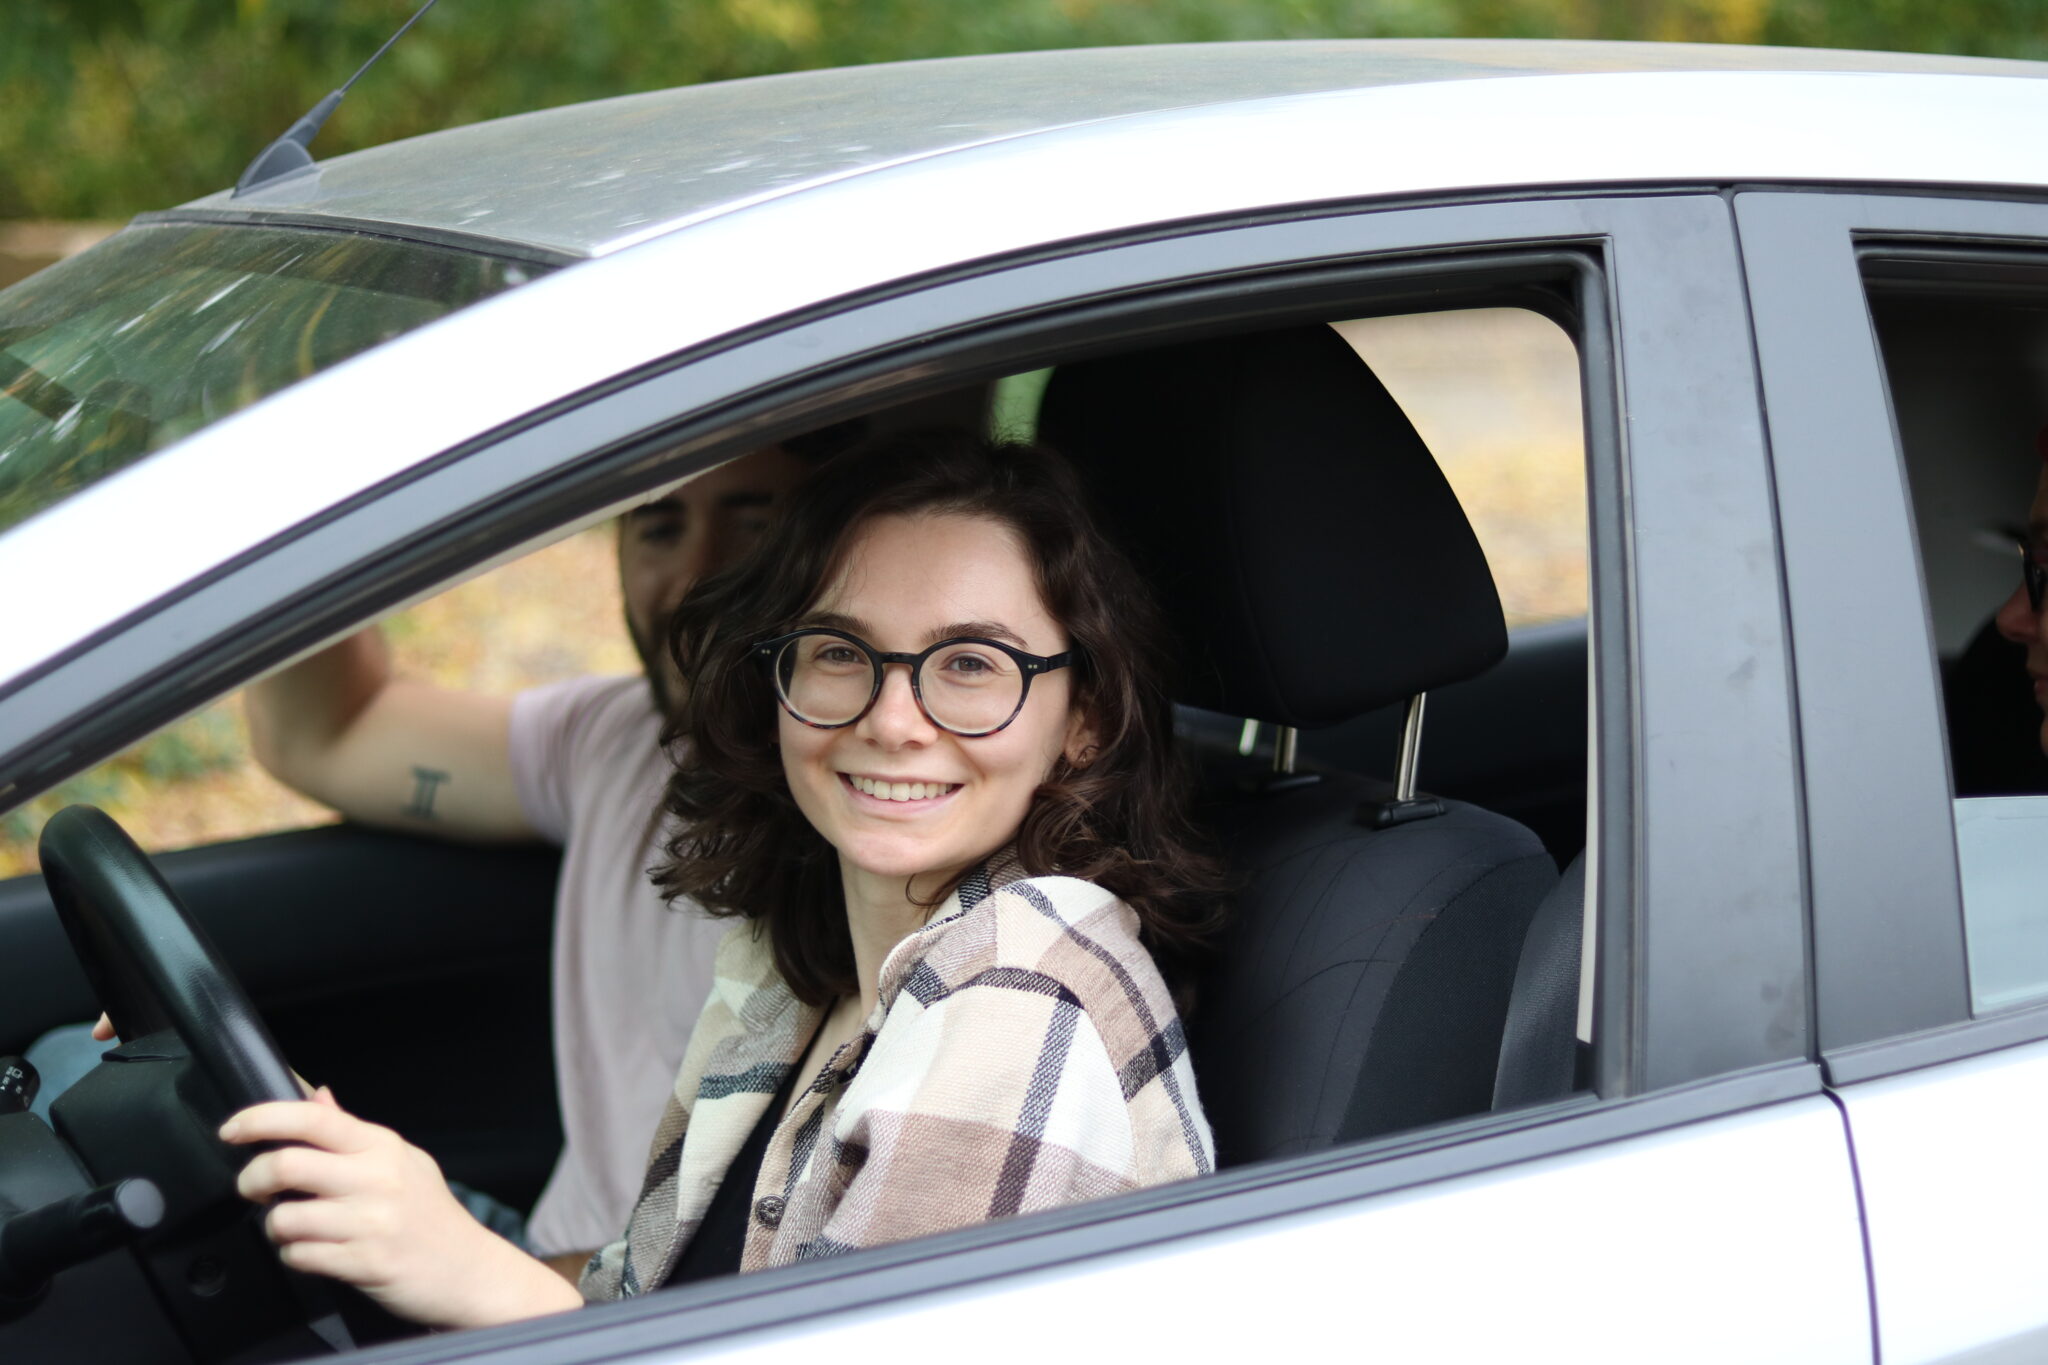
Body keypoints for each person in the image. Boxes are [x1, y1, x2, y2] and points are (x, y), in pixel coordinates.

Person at [214, 430, 1227, 1328]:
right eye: (841, 650)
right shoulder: (796, 974)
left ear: (1083, 716)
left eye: (969, 664)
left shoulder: (1018, 1003)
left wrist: (488, 1282)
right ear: (772, 676)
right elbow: (649, 1306)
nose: (890, 718)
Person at [32, 440, 837, 1282]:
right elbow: (322, 732)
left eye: (757, 521)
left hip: (598, 1309)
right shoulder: (616, 739)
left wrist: (455, 1263)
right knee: (74, 1072)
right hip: (531, 1254)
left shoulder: (871, 879)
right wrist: (318, 473)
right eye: (658, 525)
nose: (691, 579)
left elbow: (726, 1287)